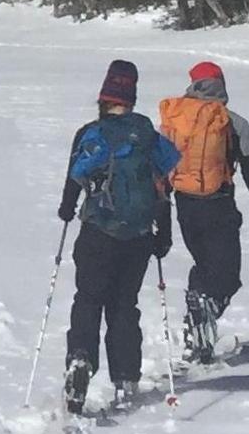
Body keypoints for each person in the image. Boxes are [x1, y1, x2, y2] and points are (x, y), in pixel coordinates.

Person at [57, 59, 179, 415]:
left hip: (97, 232)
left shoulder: (89, 133)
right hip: (138, 236)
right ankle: (125, 377)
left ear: (104, 96)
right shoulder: (147, 137)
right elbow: (162, 187)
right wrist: (164, 233)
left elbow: (72, 181)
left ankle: (80, 359)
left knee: (89, 299)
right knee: (124, 304)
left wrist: (67, 210)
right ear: (132, 97)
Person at [158, 60, 249, 363]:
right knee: (228, 277)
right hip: (219, 204)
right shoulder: (233, 123)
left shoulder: (174, 120)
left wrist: (159, 211)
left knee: (203, 265)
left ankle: (198, 334)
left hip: (185, 205)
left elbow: (161, 169)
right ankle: (201, 321)